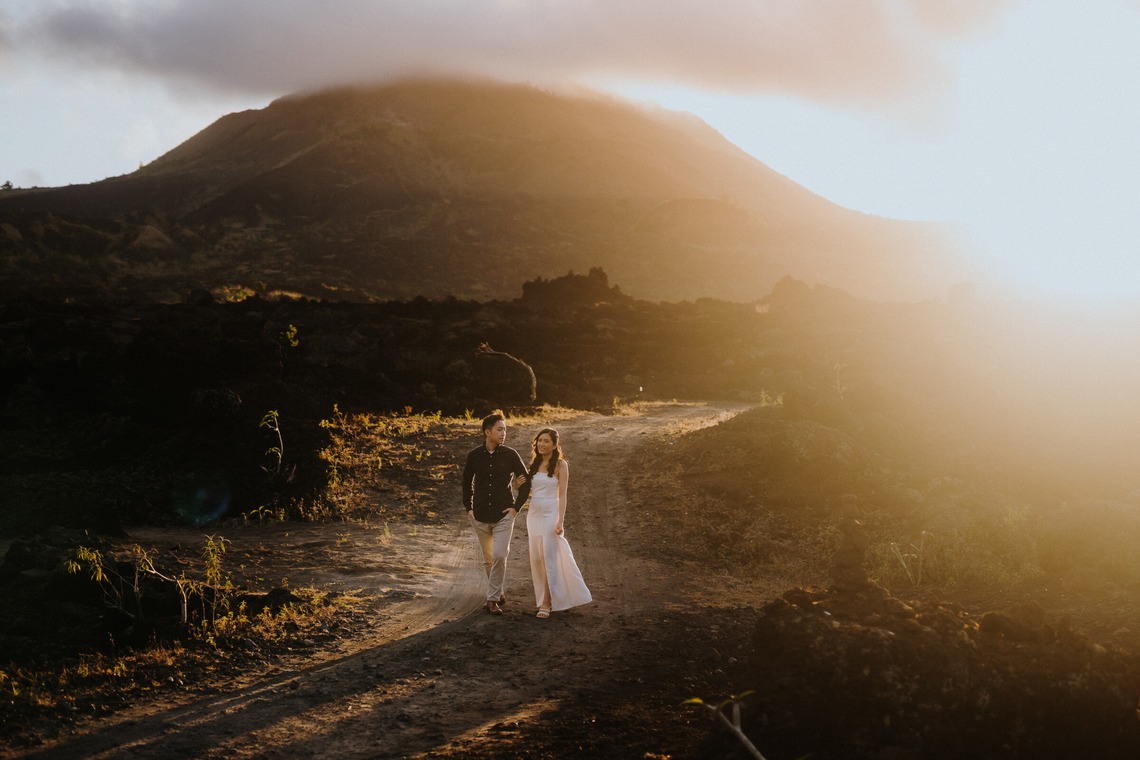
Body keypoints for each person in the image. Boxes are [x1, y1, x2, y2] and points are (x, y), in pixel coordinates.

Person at [461, 410, 531, 615]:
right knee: (489, 559)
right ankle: (498, 592)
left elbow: (525, 481)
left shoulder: (510, 454)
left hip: (503, 515)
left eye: (505, 430)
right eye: (500, 429)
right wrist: (469, 507)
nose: (503, 433)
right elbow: (466, 482)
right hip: (480, 516)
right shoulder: (474, 455)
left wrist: (516, 508)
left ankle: (491, 600)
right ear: (487, 432)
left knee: (500, 555)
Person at [520, 427, 592, 619]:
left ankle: (547, 602)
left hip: (551, 513)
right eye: (539, 441)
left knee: (547, 556)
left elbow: (562, 494)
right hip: (534, 514)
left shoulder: (561, 465)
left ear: (554, 445)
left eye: (546, 441)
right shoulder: (534, 464)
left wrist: (560, 520)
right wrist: (520, 486)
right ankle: (547, 596)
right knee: (536, 557)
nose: (541, 444)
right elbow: (532, 491)